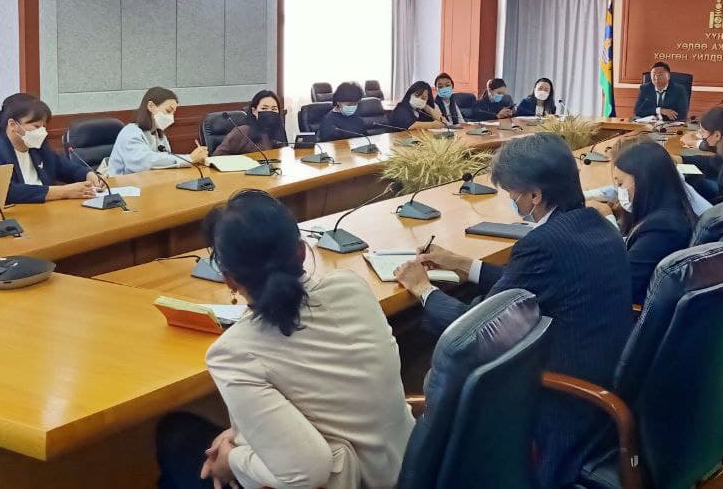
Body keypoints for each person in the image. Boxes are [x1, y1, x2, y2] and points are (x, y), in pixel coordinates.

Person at [393, 132, 632, 488]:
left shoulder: (543, 245)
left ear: (535, 195)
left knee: (416, 360)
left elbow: (476, 334)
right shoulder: (597, 224)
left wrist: (422, 289)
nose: (511, 201)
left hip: (561, 409)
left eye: (511, 194)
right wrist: (462, 264)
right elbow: (524, 287)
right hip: (603, 387)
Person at [155, 190, 414, 489]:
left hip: (352, 480)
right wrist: (240, 438)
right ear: (302, 251)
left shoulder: (232, 354)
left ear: (228, 279)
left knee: (175, 437)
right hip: (413, 469)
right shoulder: (352, 287)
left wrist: (232, 460)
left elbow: (308, 472)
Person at [609, 141, 697, 304]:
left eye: (620, 183)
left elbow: (620, 285)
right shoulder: (670, 210)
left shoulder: (663, 230)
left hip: (633, 310)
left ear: (644, 181)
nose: (619, 190)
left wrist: (607, 223)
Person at [0, 94, 102, 203]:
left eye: (44, 126)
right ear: (13, 125)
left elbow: (66, 168)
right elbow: (4, 192)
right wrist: (62, 191)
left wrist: (88, 174)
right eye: (36, 126)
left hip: (45, 211)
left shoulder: (39, 147)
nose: (42, 132)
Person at [106, 87, 209, 175]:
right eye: (168, 111)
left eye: (173, 113)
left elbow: (166, 159)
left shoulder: (158, 133)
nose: (171, 117)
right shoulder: (130, 132)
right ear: (151, 106)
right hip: (122, 186)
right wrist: (189, 158)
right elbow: (146, 162)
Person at [679, 106, 723, 202]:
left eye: (703, 132)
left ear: (717, 135)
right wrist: (682, 159)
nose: (701, 136)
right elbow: (712, 162)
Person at [213, 90, 288, 156]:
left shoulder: (279, 130)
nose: (269, 112)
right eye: (264, 108)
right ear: (254, 111)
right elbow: (217, 157)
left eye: (274, 109)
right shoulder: (242, 132)